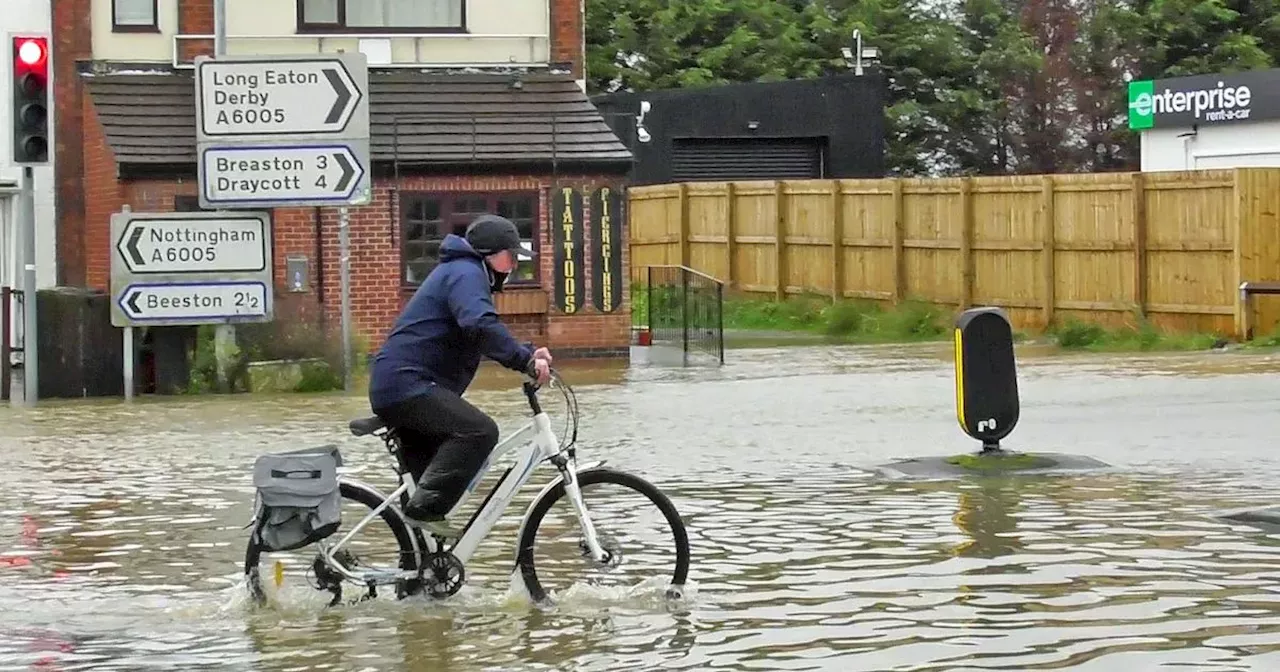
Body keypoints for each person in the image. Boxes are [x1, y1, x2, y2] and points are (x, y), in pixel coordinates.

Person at [368, 213, 553, 538]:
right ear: (492, 254)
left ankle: (418, 577)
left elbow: (478, 332)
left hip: (406, 384)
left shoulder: (462, 272)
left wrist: (528, 352)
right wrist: (523, 361)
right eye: (512, 258)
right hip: (406, 385)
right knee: (479, 432)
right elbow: (479, 325)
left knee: (429, 495)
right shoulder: (466, 273)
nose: (513, 269)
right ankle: (423, 509)